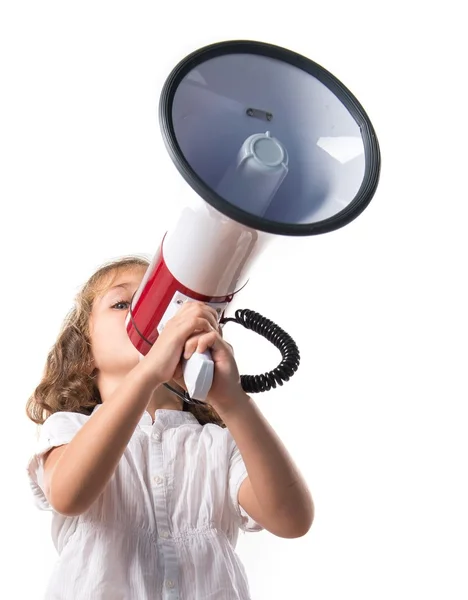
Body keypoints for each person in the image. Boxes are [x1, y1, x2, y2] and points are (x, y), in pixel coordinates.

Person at [26, 255, 314, 600]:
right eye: (122, 304)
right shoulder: (71, 428)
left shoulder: (219, 445)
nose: (144, 316)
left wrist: (232, 400)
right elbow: (68, 494)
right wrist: (147, 373)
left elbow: (291, 519)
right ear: (85, 351)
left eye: (161, 306)